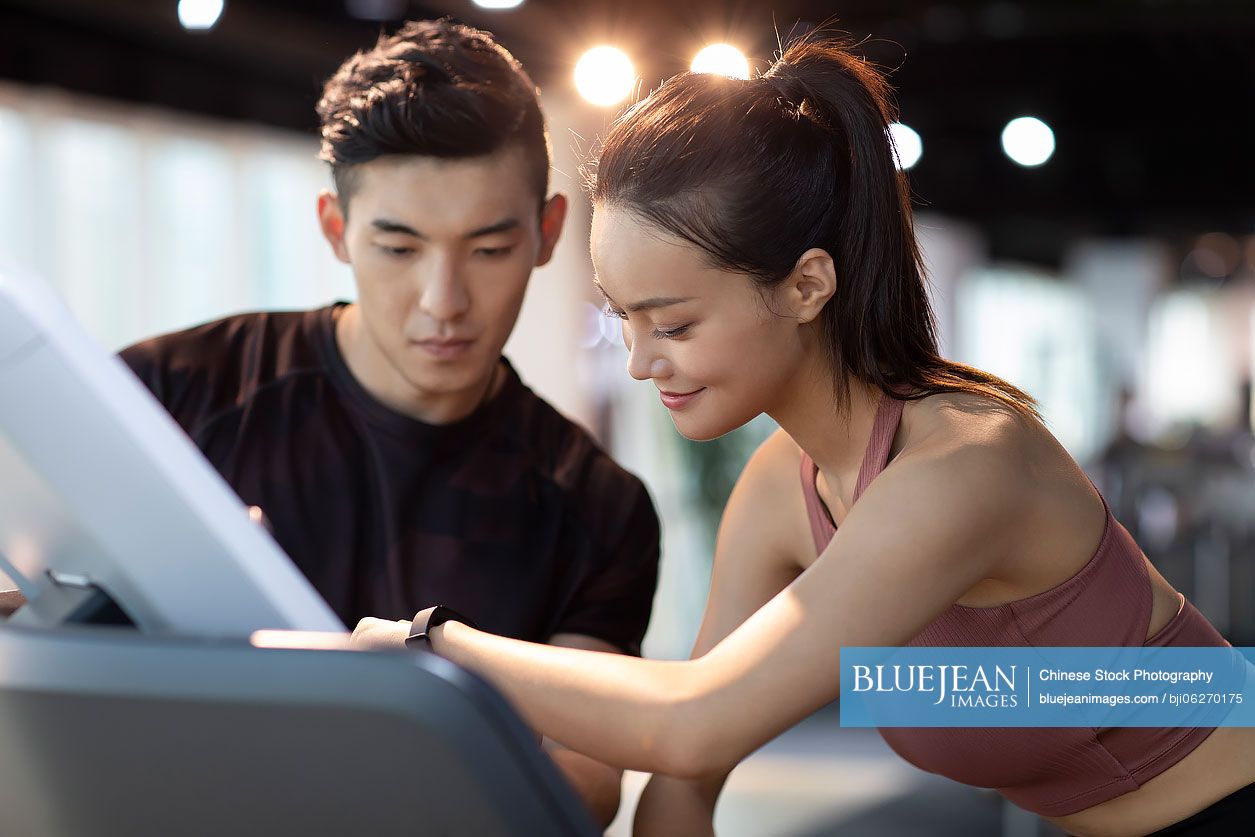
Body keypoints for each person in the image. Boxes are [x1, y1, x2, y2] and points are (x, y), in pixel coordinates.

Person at [351, 32, 1255, 837]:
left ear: (806, 285)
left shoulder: (963, 468)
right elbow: (686, 770)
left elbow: (693, 716)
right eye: (621, 317)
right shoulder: (784, 486)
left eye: (671, 322)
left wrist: (435, 645)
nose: (637, 360)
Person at [117, 20, 658, 826]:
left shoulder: (597, 506)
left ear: (545, 234)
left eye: (487, 249)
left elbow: (580, 781)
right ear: (336, 228)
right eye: (399, 248)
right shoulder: (166, 395)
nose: (443, 301)